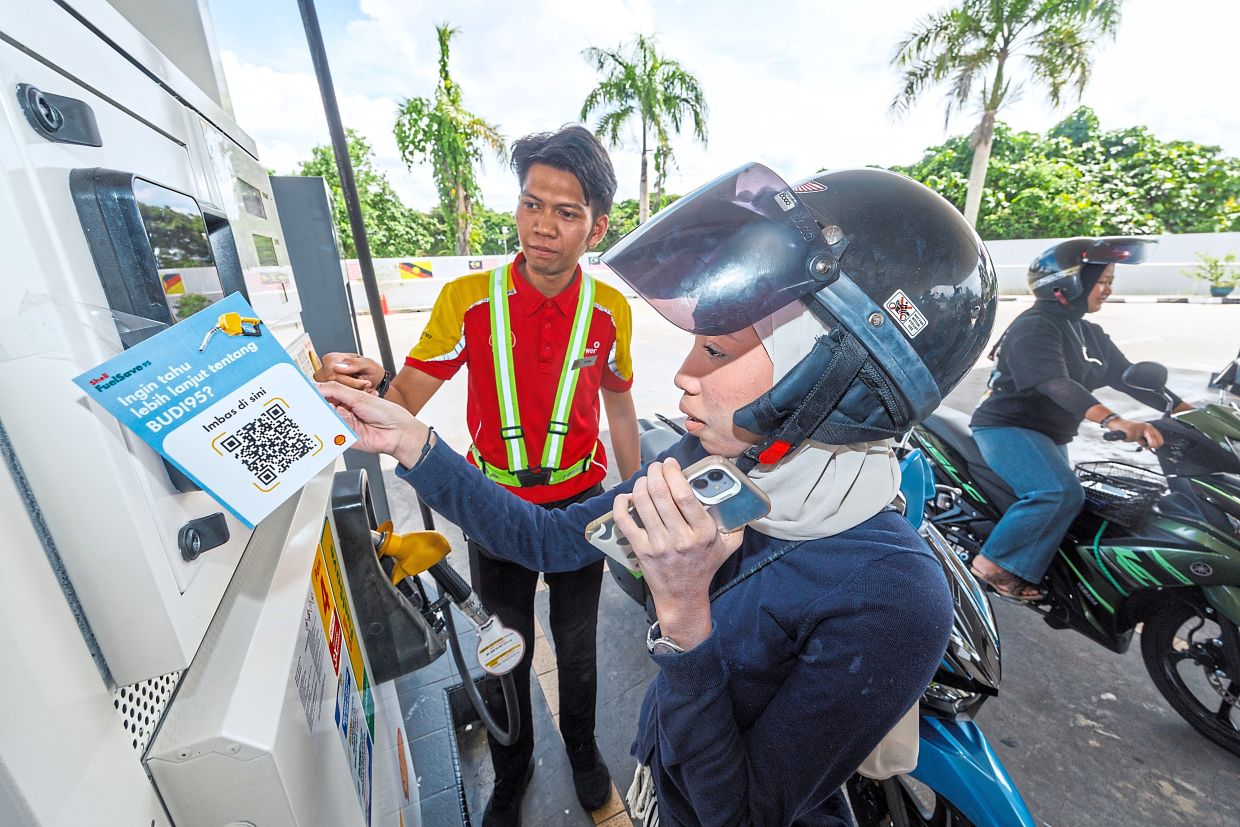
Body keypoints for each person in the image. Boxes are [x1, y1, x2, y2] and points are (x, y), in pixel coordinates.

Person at [319, 164, 998, 825]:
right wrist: (408, 439)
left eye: (718, 351)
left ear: (829, 375)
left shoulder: (895, 598)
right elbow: (550, 539)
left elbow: (736, 811)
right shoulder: (718, 459)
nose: (682, 374)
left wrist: (684, 616)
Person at [315, 126, 640, 824]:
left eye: (566, 212)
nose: (542, 226)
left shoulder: (610, 312)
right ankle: (513, 769)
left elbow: (619, 404)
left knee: (579, 649)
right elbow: (402, 404)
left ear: (598, 224)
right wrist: (354, 385)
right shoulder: (467, 299)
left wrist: (633, 503)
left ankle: (585, 757)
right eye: (531, 204)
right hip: (493, 510)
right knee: (504, 651)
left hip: (583, 508)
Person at [969, 237, 1194, 600]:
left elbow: (1127, 376)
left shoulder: (1088, 331)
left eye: (1110, 281)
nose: (1107, 290)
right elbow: (1056, 384)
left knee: (1073, 504)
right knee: (1057, 493)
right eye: (1102, 281)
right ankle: (994, 566)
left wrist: (1187, 410)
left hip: (1051, 434)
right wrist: (1114, 420)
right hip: (1008, 427)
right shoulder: (1035, 326)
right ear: (1068, 283)